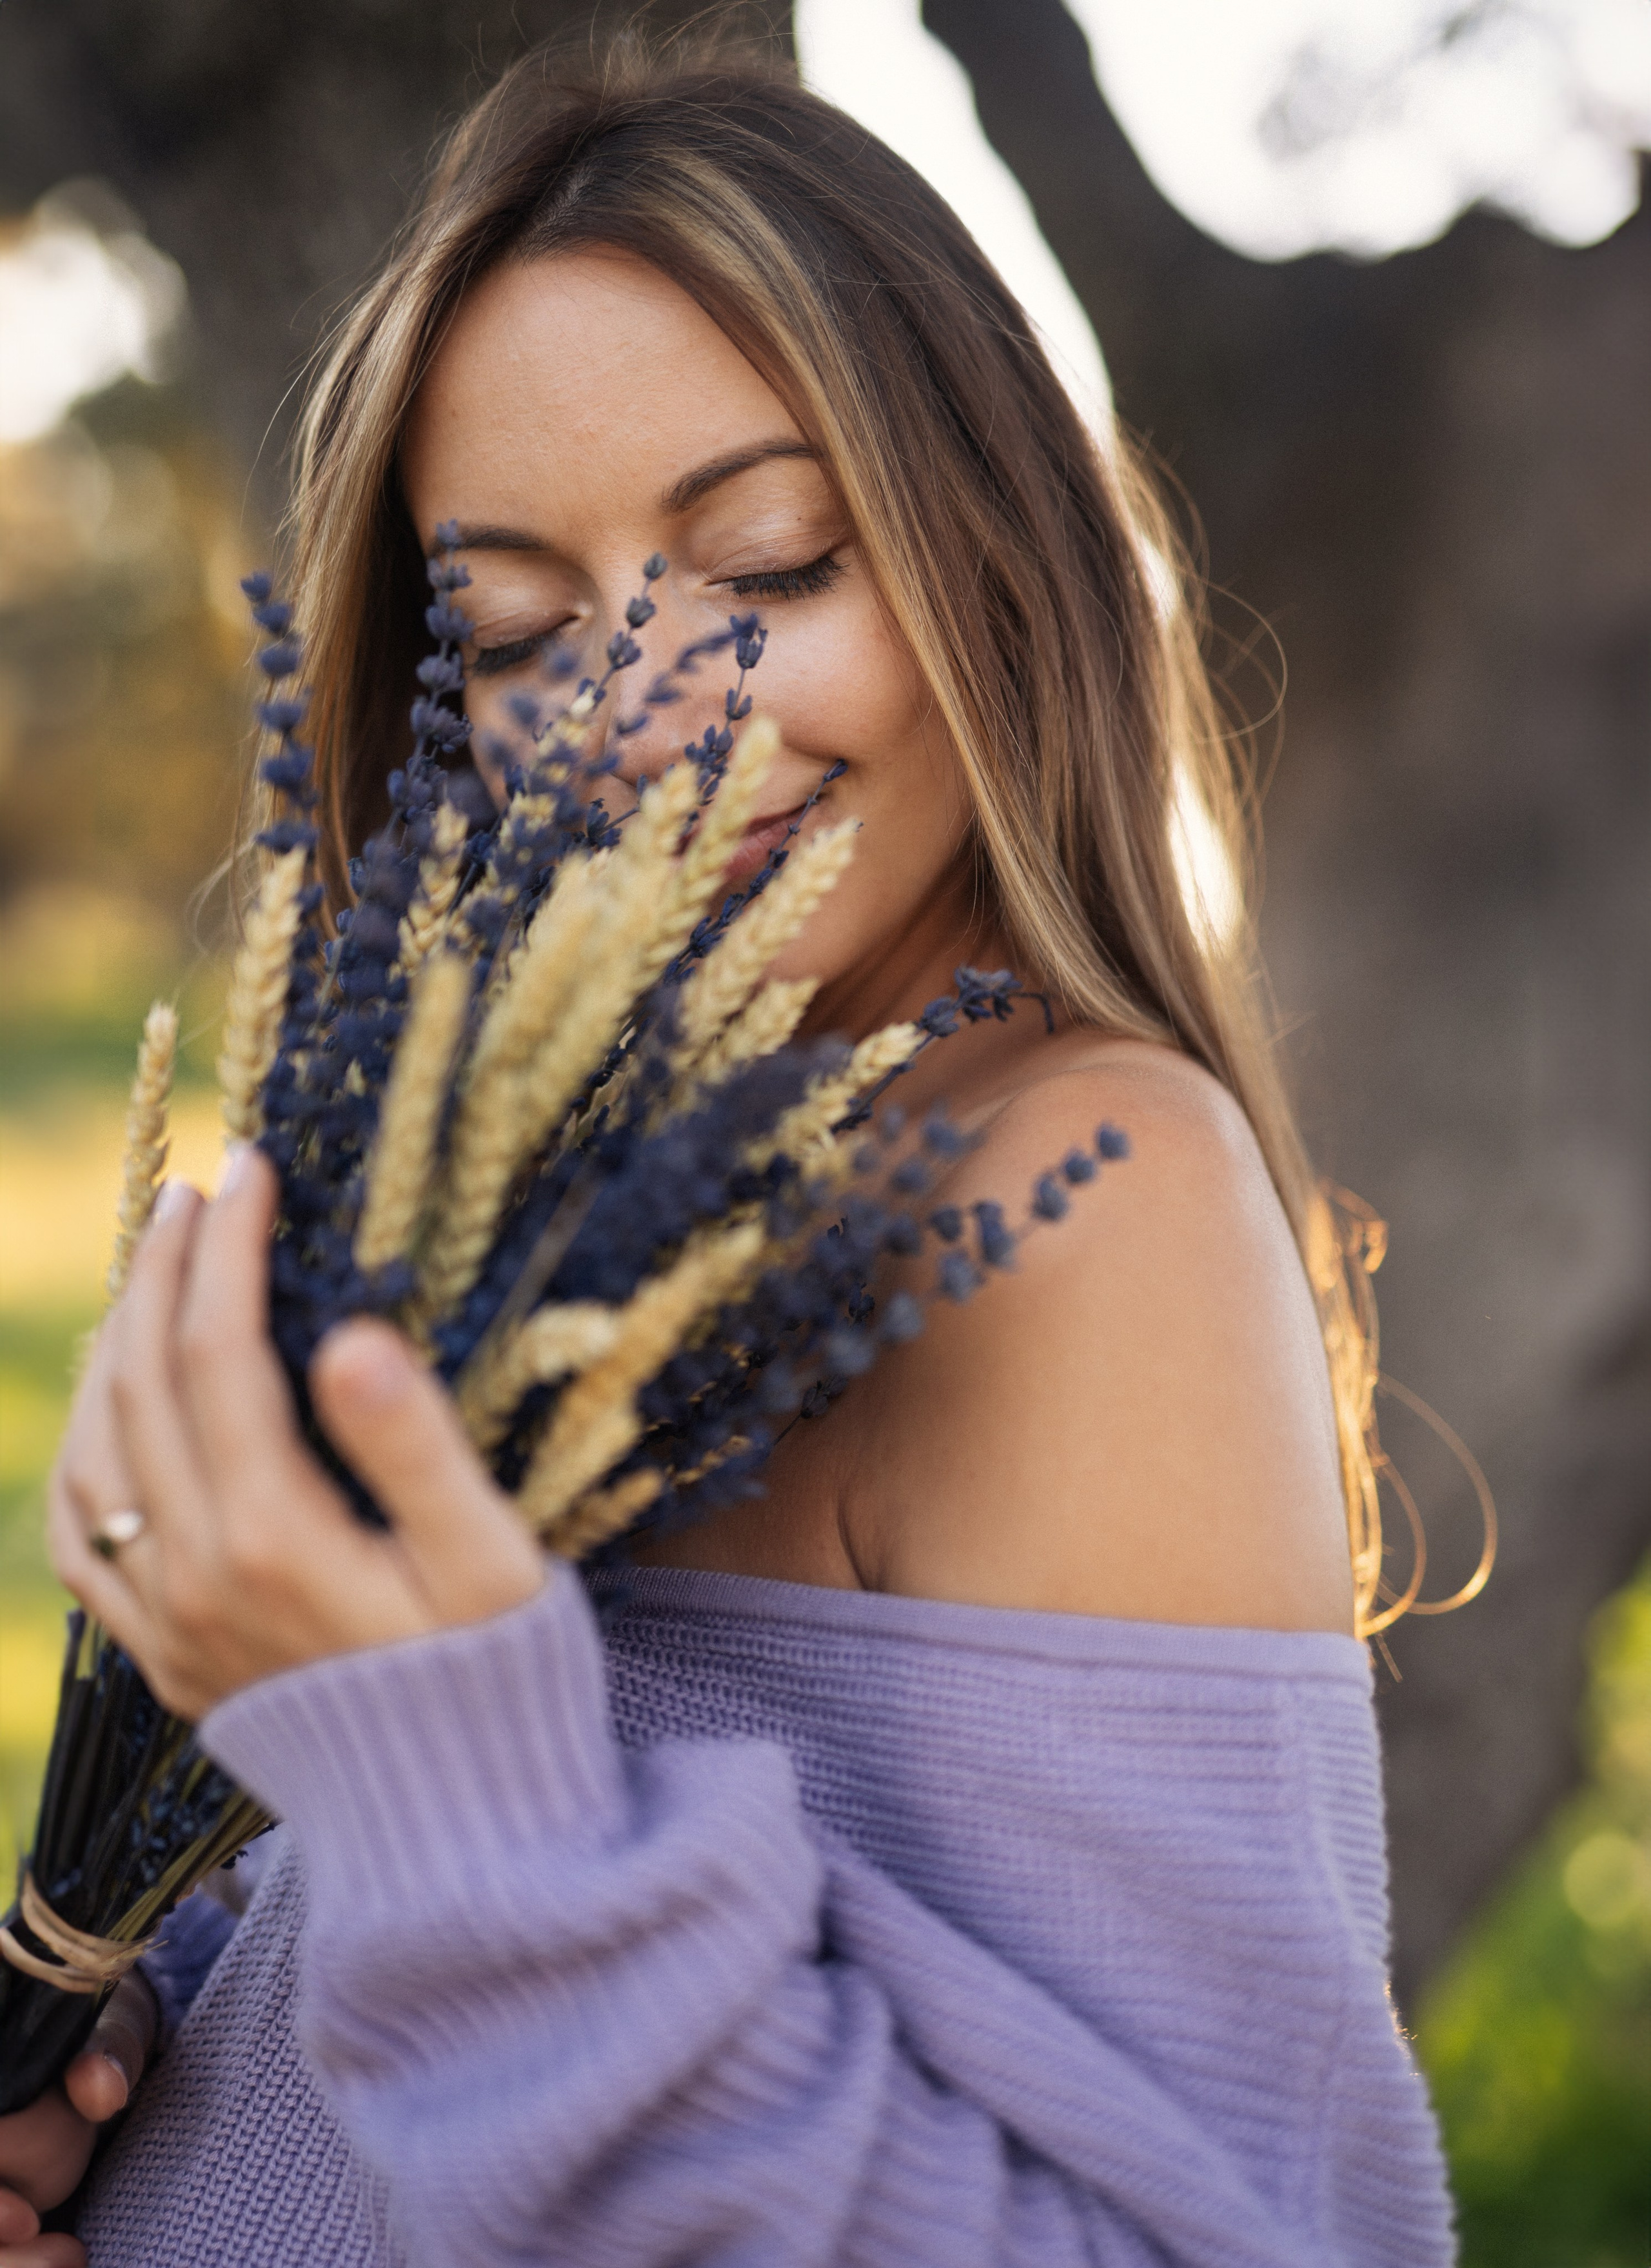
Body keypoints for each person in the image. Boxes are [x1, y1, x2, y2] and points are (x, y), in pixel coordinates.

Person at [0, 37, 1454, 2268]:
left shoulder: (1082, 1192)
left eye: (767, 564)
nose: (649, 724)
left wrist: (443, 1781)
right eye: (518, 635)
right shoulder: (528, 1228)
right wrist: (152, 2054)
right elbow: (434, 2027)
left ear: (997, 556)